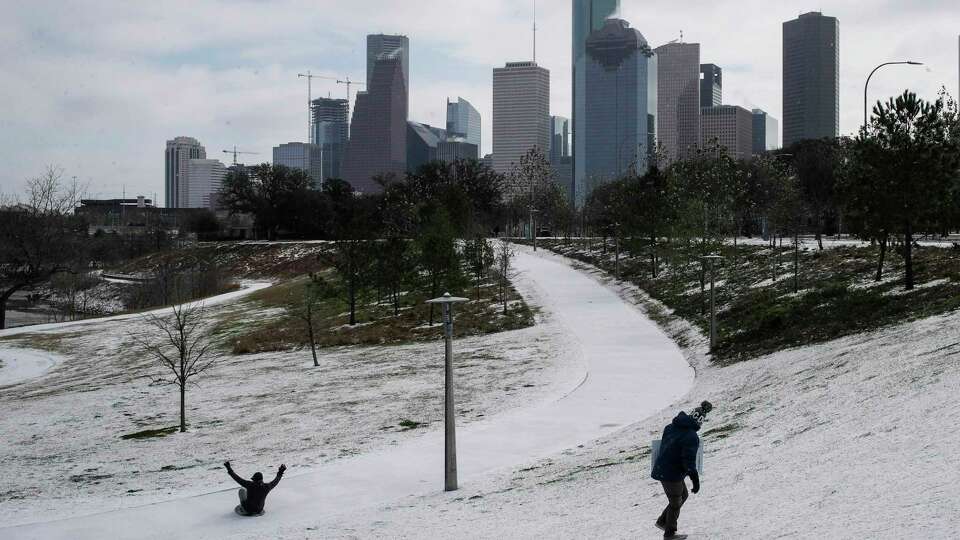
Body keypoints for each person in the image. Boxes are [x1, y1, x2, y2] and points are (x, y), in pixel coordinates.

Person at [651, 401, 712, 539]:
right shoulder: (691, 437)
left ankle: (663, 521)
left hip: (663, 469)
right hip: (671, 474)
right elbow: (689, 462)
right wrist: (695, 481)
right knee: (675, 502)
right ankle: (670, 533)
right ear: (700, 423)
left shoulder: (670, 427)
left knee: (683, 495)